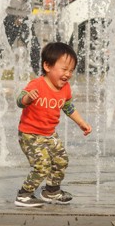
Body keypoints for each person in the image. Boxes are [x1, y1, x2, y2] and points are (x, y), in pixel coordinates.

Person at [14, 42, 92, 207]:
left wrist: (81, 123)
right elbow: (19, 101)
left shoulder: (65, 88)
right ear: (47, 66)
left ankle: (51, 191)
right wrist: (28, 99)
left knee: (61, 160)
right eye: (64, 69)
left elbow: (68, 107)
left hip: (49, 134)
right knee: (42, 165)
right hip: (30, 134)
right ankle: (24, 194)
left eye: (71, 70)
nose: (68, 74)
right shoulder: (37, 85)